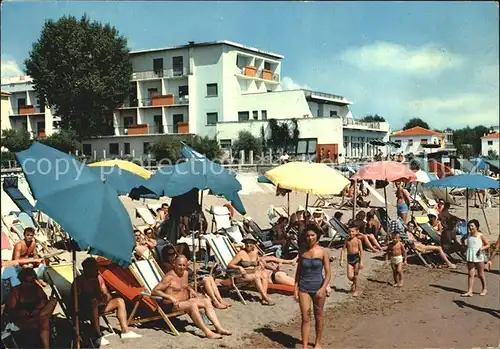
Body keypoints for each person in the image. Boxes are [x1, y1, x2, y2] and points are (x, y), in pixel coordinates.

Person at [152, 255, 232, 339]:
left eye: (184, 265)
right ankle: (207, 332)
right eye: (179, 265)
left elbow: (184, 286)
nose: (182, 267)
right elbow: (155, 291)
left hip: (184, 302)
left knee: (206, 301)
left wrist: (191, 290)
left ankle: (219, 328)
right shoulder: (169, 277)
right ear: (174, 264)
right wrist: (169, 297)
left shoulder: (185, 273)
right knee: (192, 305)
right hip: (170, 306)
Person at [73, 258, 141, 346]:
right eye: (94, 268)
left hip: (100, 305)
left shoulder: (99, 278)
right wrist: (92, 301)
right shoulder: (79, 281)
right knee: (93, 304)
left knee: (119, 301)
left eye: (96, 267)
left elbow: (107, 294)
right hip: (85, 309)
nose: (97, 270)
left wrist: (104, 300)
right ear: (87, 269)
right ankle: (97, 336)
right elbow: (75, 299)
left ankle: (125, 331)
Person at [161, 245, 231, 309]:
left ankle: (220, 300)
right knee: (206, 280)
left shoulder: (177, 262)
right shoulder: (167, 265)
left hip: (191, 280)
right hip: (185, 285)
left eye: (174, 253)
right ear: (165, 256)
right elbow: (179, 275)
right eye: (170, 254)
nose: (173, 256)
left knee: (210, 278)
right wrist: (185, 266)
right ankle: (216, 302)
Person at [295, 224, 331, 349]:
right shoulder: (302, 252)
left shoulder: (323, 251)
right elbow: (298, 272)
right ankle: (304, 346)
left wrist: (323, 289)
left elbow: (328, 273)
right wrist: (295, 289)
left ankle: (318, 343)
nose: (310, 238)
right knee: (305, 317)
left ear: (317, 236)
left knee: (319, 316)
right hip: (304, 287)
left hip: (318, 286)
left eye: (312, 235)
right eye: (308, 236)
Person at [6, 268, 57, 349]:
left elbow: (44, 303)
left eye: (32, 281)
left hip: (37, 315)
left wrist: (39, 307)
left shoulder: (37, 289)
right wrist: (21, 312)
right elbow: (10, 311)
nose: (29, 284)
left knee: (53, 301)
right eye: (27, 282)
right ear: (21, 280)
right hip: (23, 320)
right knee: (44, 320)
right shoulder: (16, 292)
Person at [228, 235, 274, 306]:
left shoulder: (255, 251)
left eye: (250, 243)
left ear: (253, 244)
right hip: (241, 275)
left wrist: (259, 264)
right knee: (256, 276)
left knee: (264, 274)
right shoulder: (241, 253)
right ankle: (265, 297)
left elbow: (258, 261)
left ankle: (263, 298)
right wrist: (239, 267)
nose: (248, 245)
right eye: (246, 243)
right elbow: (230, 265)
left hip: (253, 273)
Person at [461, 220, 490, 297]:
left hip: (479, 256)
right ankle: (470, 291)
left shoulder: (480, 235)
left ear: (476, 227)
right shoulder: (468, 235)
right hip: (470, 255)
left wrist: (481, 249)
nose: (470, 228)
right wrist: (464, 247)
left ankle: (484, 288)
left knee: (480, 274)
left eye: (472, 226)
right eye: (469, 226)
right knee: (470, 274)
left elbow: (488, 244)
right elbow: (462, 240)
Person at [340, 224, 363, 297]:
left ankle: (356, 290)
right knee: (349, 276)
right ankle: (355, 282)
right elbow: (343, 250)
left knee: (356, 275)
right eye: (349, 232)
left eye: (353, 231)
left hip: (356, 258)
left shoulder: (358, 241)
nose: (351, 233)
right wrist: (341, 259)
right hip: (349, 258)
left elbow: (361, 251)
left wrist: (361, 261)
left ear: (356, 232)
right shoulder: (347, 240)